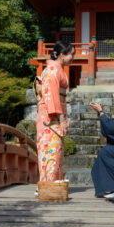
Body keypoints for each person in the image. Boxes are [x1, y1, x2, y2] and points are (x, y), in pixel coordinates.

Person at [36, 41, 75, 185]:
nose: (73, 58)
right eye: (71, 54)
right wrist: (62, 119)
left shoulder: (56, 68)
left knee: (55, 150)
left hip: (55, 113)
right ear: (62, 55)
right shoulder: (53, 70)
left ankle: (52, 186)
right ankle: (47, 185)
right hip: (50, 116)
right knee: (50, 149)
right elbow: (52, 97)